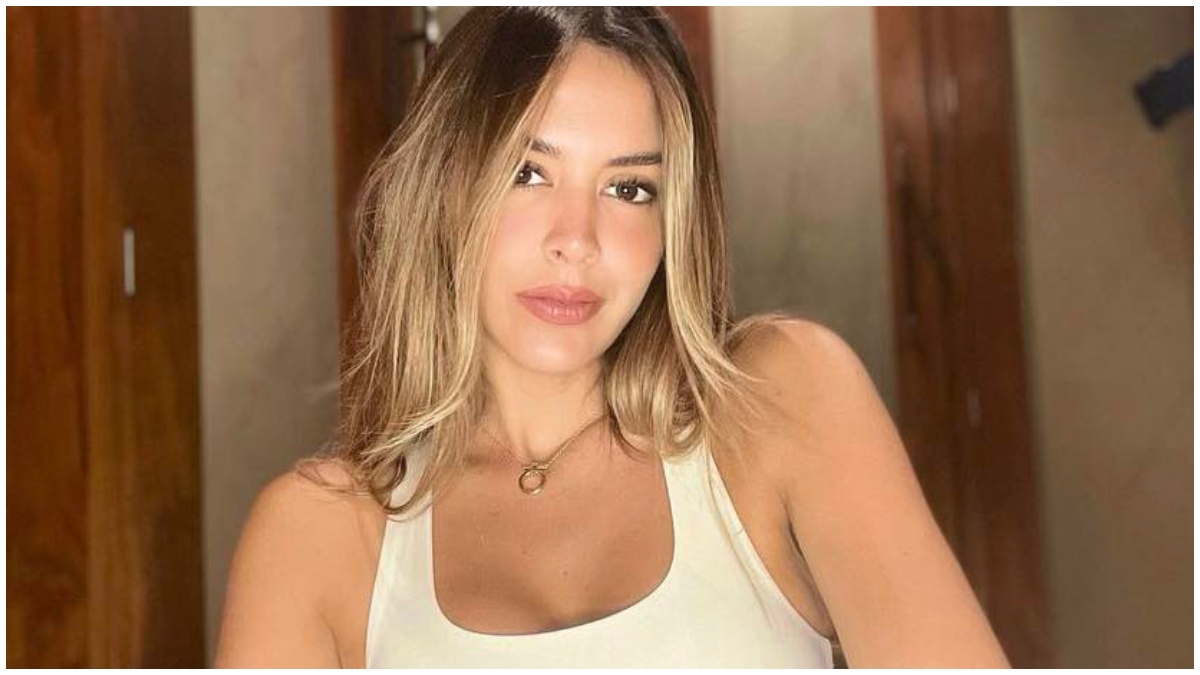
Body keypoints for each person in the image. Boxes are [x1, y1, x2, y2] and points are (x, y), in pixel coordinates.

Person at [214, 7, 1011, 668]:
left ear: (672, 222)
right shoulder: (316, 536)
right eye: (528, 172)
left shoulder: (783, 402)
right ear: (442, 189)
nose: (578, 239)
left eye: (629, 188)